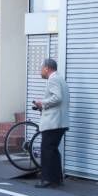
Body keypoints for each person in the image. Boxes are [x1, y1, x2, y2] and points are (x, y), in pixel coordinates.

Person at [33, 58, 69, 188]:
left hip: (53, 122)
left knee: (47, 150)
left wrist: (42, 103)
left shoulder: (53, 79)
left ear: (47, 68)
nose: (40, 71)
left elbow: (57, 98)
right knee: (53, 150)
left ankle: (47, 179)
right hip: (60, 122)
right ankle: (57, 178)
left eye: (41, 68)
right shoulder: (60, 79)